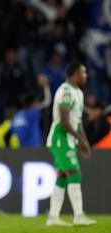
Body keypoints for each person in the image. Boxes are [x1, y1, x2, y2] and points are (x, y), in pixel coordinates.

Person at [46, 61, 97, 226]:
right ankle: (79, 216)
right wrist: (81, 140)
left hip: (68, 139)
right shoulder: (66, 91)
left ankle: (53, 217)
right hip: (60, 138)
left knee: (61, 177)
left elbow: (77, 121)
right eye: (83, 72)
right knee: (75, 174)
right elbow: (64, 121)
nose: (86, 75)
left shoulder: (78, 93)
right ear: (75, 74)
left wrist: (85, 142)